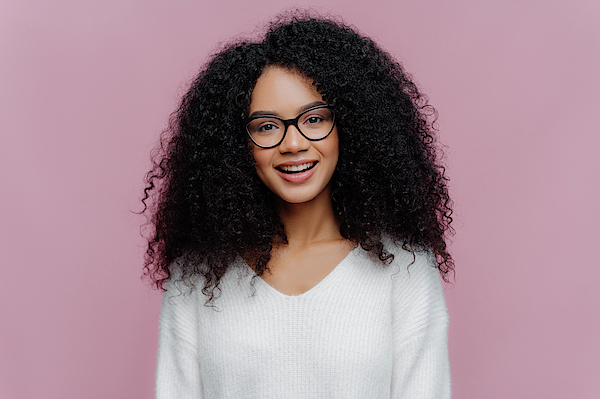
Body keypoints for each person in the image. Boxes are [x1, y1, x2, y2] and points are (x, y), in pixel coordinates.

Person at [142, 12, 454, 399]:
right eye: (266, 126)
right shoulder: (196, 275)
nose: (293, 144)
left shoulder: (404, 267)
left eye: (314, 118)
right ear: (238, 145)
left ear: (351, 126)